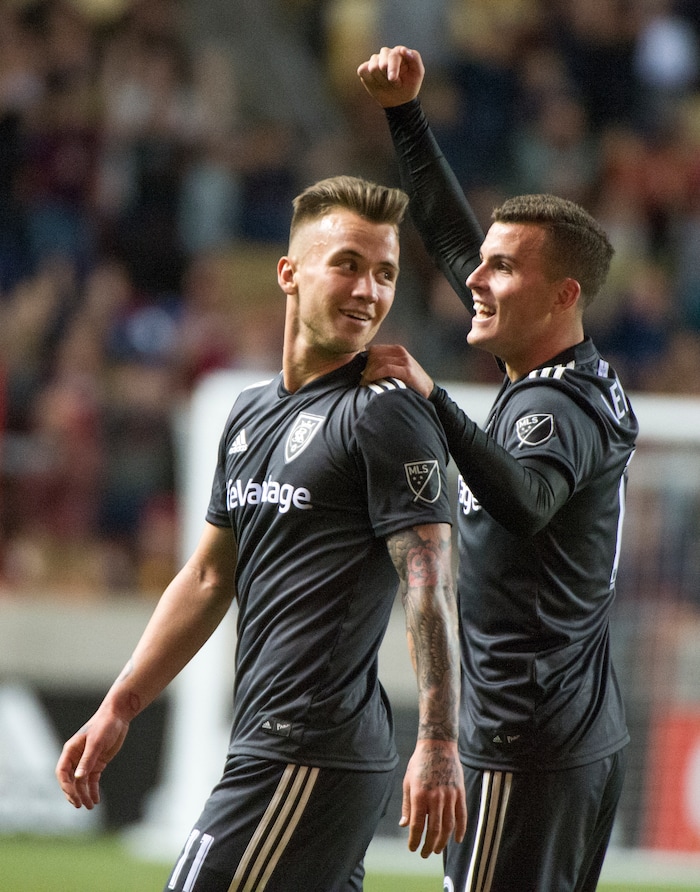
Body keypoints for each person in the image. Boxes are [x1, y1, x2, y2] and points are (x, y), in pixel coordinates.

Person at [56, 174, 466, 891]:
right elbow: (211, 576)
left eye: (386, 273)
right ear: (289, 272)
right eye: (347, 264)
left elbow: (430, 585)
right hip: (280, 741)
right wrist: (120, 704)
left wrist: (436, 739)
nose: (369, 290)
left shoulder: (386, 416)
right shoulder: (248, 414)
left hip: (308, 745)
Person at [357, 47, 639, 892]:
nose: (475, 277)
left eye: (503, 268)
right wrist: (404, 112)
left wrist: (432, 397)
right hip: (565, 735)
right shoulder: (568, 375)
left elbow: (525, 501)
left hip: (527, 741)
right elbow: (450, 237)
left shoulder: (552, 409)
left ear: (564, 298)